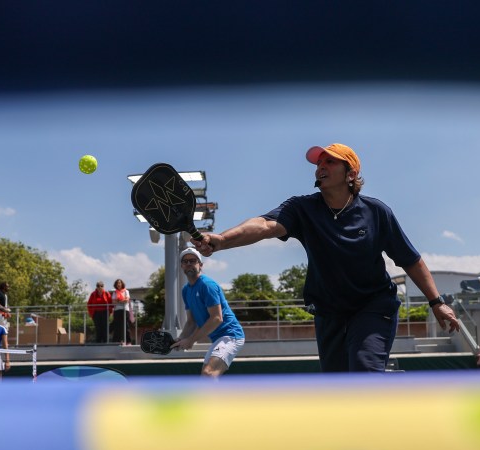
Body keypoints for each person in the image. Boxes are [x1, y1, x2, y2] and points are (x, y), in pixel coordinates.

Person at [191, 142, 459, 372]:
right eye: (319, 163)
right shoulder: (302, 208)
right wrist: (222, 240)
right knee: (338, 389)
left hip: (373, 307)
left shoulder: (377, 212)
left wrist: (436, 302)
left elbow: (410, 260)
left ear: (351, 173)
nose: (321, 167)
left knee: (365, 372)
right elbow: (264, 226)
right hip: (329, 313)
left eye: (330, 162)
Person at [171, 248, 246, 377]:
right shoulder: (186, 290)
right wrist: (181, 338)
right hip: (217, 338)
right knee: (206, 376)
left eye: (193, 261)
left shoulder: (207, 285)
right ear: (182, 266)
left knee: (208, 373)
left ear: (200, 265)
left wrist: (191, 340)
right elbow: (191, 322)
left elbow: (217, 318)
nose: (189, 263)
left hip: (231, 336)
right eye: (185, 261)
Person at [111, 279, 132, 344]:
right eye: (117, 283)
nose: (118, 284)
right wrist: (121, 300)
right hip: (117, 310)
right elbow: (113, 302)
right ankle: (117, 341)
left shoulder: (126, 291)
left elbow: (127, 300)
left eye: (119, 283)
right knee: (117, 326)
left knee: (126, 326)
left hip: (125, 310)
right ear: (116, 285)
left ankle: (128, 341)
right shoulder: (114, 292)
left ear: (122, 284)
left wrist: (118, 301)